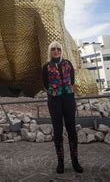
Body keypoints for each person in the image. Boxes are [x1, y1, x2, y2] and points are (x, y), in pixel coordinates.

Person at [42, 41, 83, 174]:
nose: (56, 51)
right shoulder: (46, 67)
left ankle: (75, 161)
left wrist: (65, 90)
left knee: (72, 130)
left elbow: (72, 80)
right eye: (53, 49)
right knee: (58, 131)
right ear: (50, 51)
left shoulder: (68, 64)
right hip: (54, 101)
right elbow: (45, 84)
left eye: (58, 49)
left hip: (69, 100)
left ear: (61, 51)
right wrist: (56, 91)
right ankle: (60, 163)